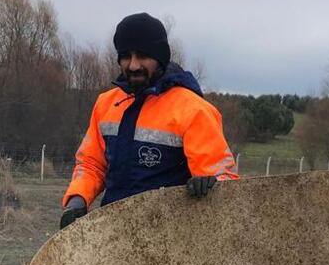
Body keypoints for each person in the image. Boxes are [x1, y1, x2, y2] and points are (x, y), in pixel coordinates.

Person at [60, 12, 238, 229]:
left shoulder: (193, 110)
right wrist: (78, 198)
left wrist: (211, 184)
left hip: (171, 238)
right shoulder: (105, 104)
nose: (133, 65)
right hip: (111, 233)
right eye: (126, 56)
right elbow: (91, 163)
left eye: (142, 56)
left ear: (160, 58)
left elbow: (224, 179)